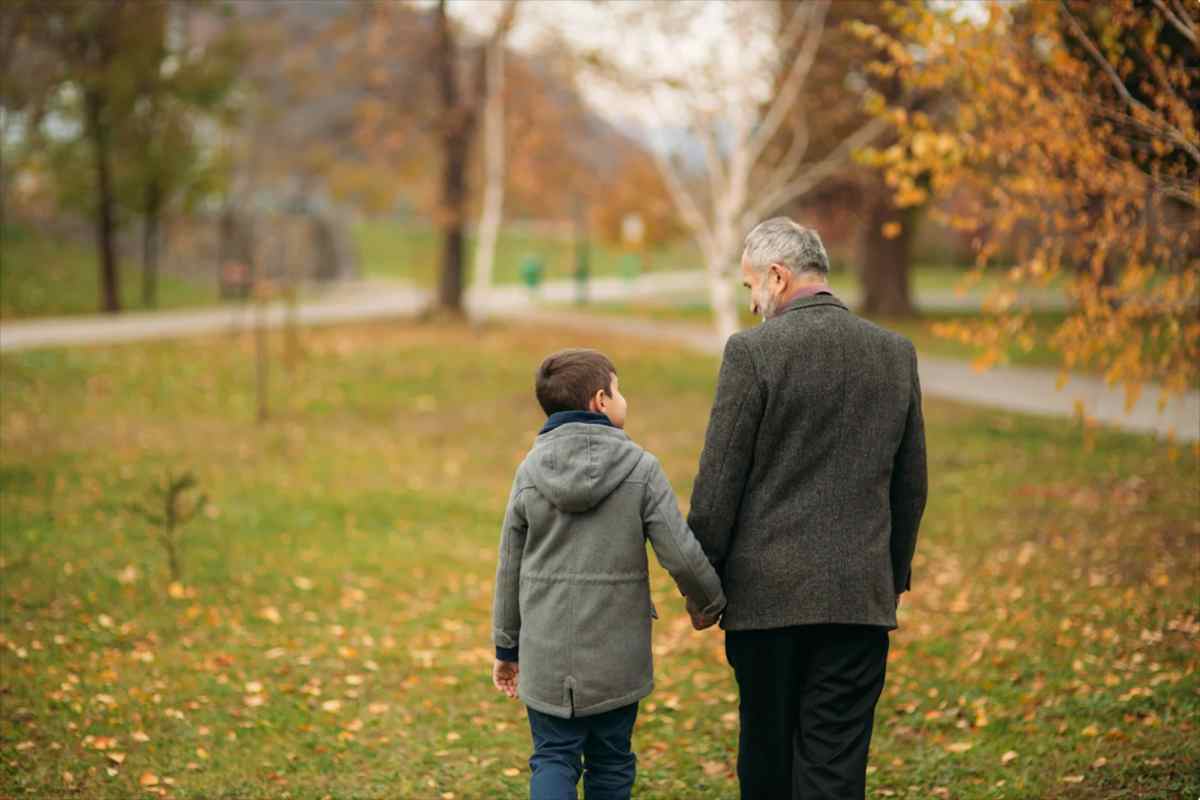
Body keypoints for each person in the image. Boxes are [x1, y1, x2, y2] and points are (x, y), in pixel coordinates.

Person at [686, 217, 928, 799]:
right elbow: (910, 484)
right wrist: (887, 578)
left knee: (766, 762)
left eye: (750, 288)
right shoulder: (895, 353)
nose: (751, 304)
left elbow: (718, 485)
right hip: (857, 601)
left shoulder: (753, 353)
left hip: (765, 603)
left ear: (778, 275)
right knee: (836, 769)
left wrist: (703, 585)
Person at [491, 348, 726, 800]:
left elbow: (509, 566)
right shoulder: (641, 468)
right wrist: (709, 602)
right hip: (616, 658)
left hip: (546, 654)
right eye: (619, 390)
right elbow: (679, 552)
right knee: (612, 762)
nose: (623, 398)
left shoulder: (530, 472)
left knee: (553, 757)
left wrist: (506, 646)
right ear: (601, 400)